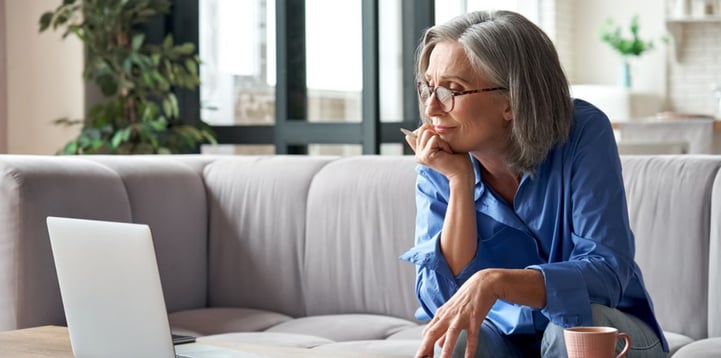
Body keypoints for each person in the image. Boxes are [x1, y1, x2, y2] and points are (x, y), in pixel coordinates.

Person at [399, 10, 668, 358]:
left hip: (605, 328)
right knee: (456, 340)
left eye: (453, 90)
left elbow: (607, 272)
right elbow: (440, 301)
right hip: (505, 337)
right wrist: (459, 183)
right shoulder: (441, 157)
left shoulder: (583, 132)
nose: (433, 108)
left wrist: (495, 282)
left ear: (511, 100)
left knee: (568, 330)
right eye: (428, 87)